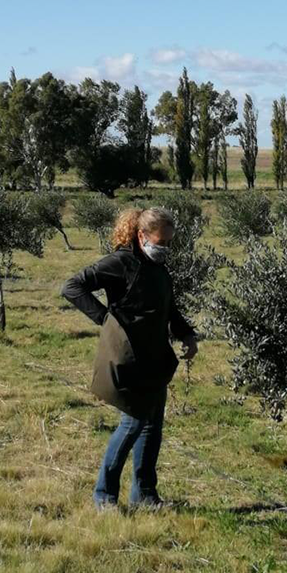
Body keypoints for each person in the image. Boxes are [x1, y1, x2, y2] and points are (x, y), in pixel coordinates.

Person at [61, 207, 198, 510]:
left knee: (152, 428)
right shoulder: (120, 263)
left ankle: (144, 496)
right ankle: (104, 497)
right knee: (133, 425)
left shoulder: (158, 267)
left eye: (170, 243)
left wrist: (187, 334)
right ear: (142, 236)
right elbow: (72, 287)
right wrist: (107, 321)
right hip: (130, 358)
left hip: (155, 359)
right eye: (161, 242)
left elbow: (169, 308)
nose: (166, 249)